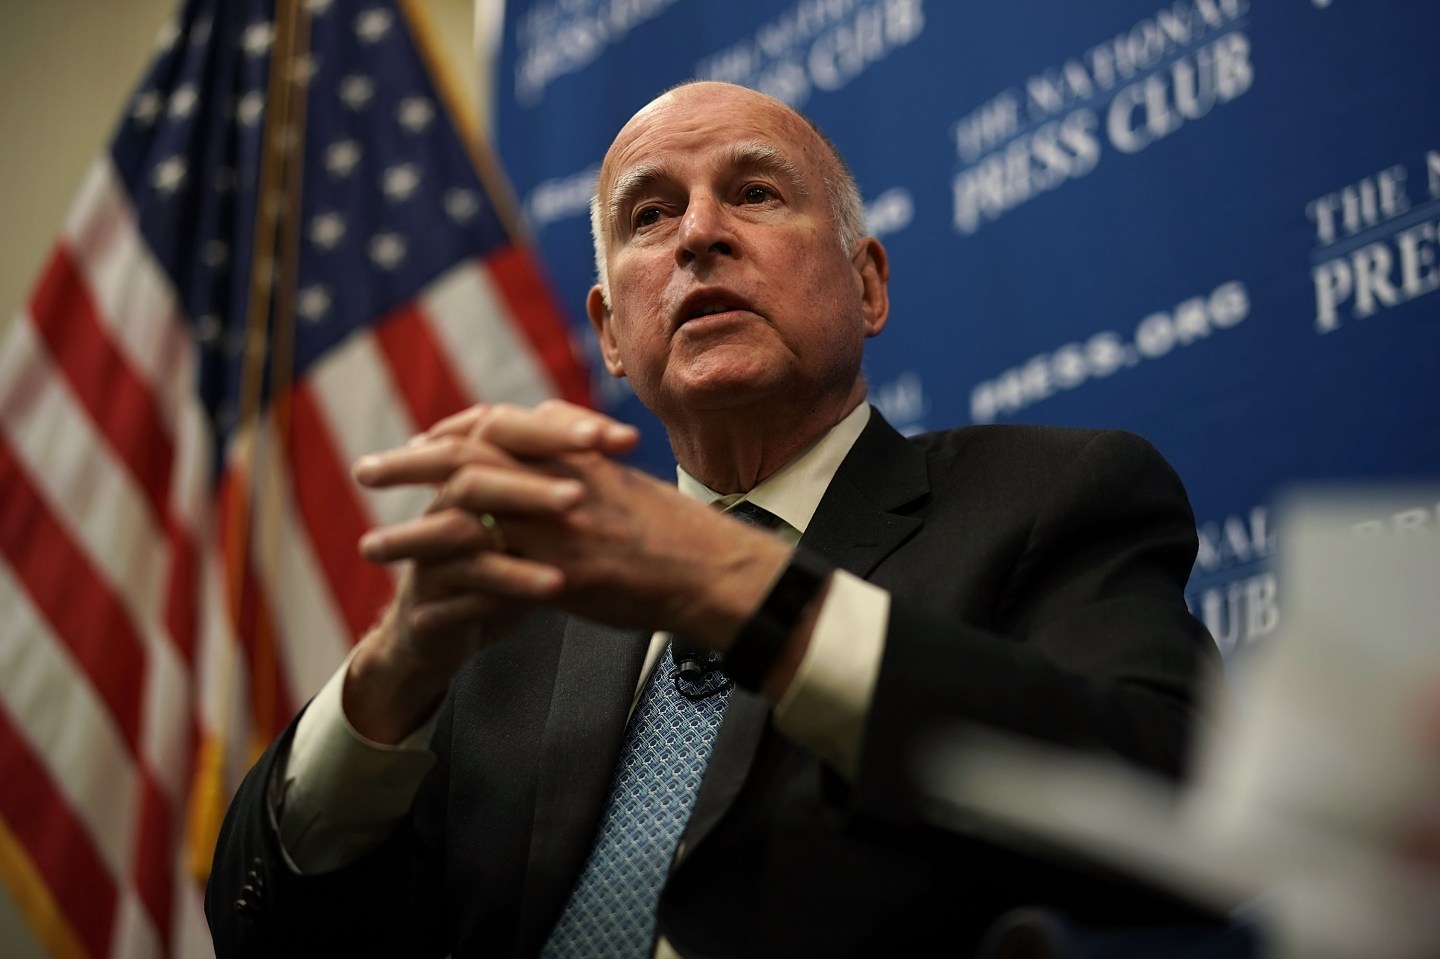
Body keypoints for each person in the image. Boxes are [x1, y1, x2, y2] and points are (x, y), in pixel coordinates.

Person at [207, 80, 1225, 958]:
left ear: (867, 284)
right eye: (648, 216)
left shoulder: (1050, 499)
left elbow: (1172, 807)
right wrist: (393, 677)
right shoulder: (512, 620)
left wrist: (739, 587)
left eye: (753, 192)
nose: (697, 233)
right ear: (610, 333)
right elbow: (271, 938)